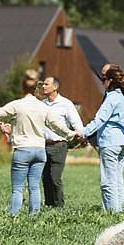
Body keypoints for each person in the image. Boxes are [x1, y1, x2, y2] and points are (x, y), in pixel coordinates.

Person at [0, 70, 80, 216]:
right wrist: (72, 134)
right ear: (36, 89)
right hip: (40, 151)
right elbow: (59, 127)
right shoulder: (44, 107)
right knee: (34, 187)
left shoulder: (17, 105)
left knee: (18, 188)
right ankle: (34, 215)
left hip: (23, 151)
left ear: (22, 87)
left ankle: (14, 215)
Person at [81, 63, 124, 213]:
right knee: (117, 179)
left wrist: (83, 132)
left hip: (110, 143)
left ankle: (112, 214)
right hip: (122, 143)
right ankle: (120, 211)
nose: (101, 82)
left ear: (109, 81)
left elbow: (99, 120)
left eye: (103, 79)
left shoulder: (111, 98)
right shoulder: (122, 98)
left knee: (108, 181)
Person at [40, 75, 83, 208]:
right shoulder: (42, 104)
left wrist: (80, 136)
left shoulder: (66, 104)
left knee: (55, 177)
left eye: (46, 84)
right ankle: (49, 205)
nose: (43, 86)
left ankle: (59, 207)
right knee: (45, 178)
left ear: (55, 87)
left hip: (59, 145)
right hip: (44, 145)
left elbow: (77, 123)